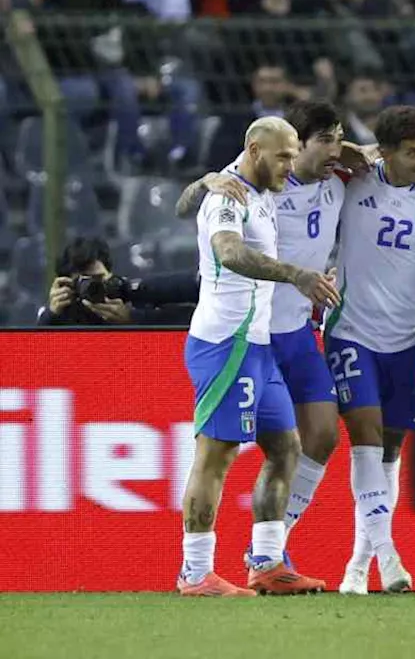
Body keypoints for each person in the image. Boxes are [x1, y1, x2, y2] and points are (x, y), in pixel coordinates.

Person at [175, 101, 355, 563]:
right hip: (229, 339)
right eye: (283, 158)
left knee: (287, 446)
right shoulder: (229, 194)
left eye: (294, 157)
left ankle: (268, 560)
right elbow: (229, 252)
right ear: (255, 150)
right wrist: (296, 273)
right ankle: (195, 572)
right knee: (216, 454)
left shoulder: (262, 188)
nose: (290, 168)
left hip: (262, 339)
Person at [326, 106, 415, 595]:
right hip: (351, 329)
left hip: (406, 337)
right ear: (386, 154)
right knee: (365, 436)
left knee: (391, 450)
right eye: (413, 152)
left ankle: (357, 567)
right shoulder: (353, 179)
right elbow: (301, 154)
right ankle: (389, 556)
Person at [37, 235, 198, 326]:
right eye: (83, 282)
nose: (92, 287)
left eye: (98, 279)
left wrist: (133, 318)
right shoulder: (63, 315)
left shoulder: (130, 299)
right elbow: (33, 358)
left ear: (110, 274)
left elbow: (193, 318)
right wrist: (51, 315)